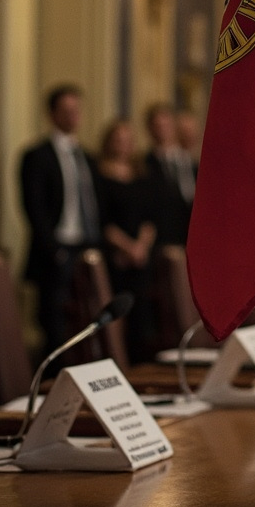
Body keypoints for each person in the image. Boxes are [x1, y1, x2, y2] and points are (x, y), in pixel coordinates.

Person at [20, 84, 103, 358]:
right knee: (54, 325)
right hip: (55, 251)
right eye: (66, 111)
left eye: (76, 111)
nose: (72, 117)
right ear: (53, 114)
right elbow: (34, 208)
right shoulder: (36, 155)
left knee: (86, 320)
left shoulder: (88, 157)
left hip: (85, 247)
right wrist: (53, 249)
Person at [96, 119, 157, 363]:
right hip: (115, 258)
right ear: (109, 142)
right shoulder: (99, 174)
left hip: (140, 259)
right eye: (118, 139)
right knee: (116, 317)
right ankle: (117, 364)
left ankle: (139, 368)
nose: (123, 144)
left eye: (127, 140)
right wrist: (126, 247)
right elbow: (102, 221)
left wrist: (140, 247)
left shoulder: (141, 174)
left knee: (141, 319)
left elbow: (150, 217)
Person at [142, 103, 195, 248]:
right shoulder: (144, 165)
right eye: (157, 126)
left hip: (189, 233)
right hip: (162, 237)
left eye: (166, 125)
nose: (162, 130)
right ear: (150, 129)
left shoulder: (187, 161)